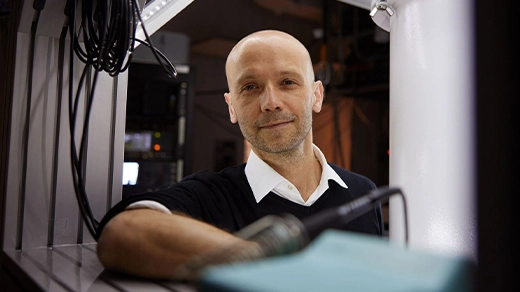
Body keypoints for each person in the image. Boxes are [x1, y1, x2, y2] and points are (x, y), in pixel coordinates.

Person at [96, 29, 384, 280]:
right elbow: (122, 232)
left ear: (316, 96)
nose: (271, 102)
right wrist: (260, 258)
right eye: (250, 87)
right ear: (232, 106)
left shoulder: (363, 193)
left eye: (287, 82)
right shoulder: (211, 198)